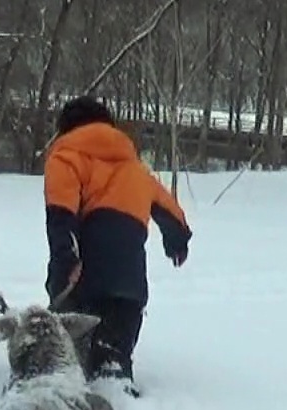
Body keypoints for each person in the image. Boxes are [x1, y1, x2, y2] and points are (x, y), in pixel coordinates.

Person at [42, 96, 190, 392]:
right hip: (129, 279)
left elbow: (61, 216)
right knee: (113, 353)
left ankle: (64, 392)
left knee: (66, 354)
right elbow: (171, 212)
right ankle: (115, 384)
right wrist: (177, 241)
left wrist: (65, 263)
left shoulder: (66, 156)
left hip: (85, 272)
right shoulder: (134, 168)